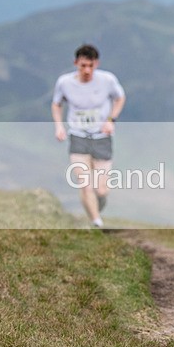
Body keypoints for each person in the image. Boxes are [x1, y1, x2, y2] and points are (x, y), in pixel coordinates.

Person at [52, 44, 126, 228]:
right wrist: (59, 126)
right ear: (76, 63)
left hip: (101, 137)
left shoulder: (107, 80)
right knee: (85, 183)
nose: (87, 70)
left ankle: (95, 210)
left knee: (101, 190)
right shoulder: (64, 82)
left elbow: (120, 97)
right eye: (83, 65)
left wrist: (111, 119)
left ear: (96, 64)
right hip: (78, 136)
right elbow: (56, 104)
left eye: (91, 66)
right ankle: (96, 222)